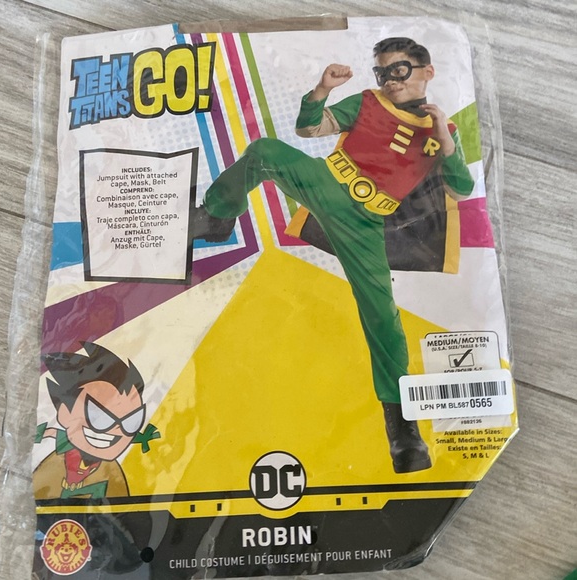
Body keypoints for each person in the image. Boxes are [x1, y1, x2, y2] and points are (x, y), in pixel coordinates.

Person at [192, 37, 474, 473]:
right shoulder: (368, 101)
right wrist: (322, 90)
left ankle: (402, 429)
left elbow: (461, 189)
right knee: (265, 151)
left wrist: (446, 142)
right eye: (383, 72)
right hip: (326, 182)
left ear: (427, 71)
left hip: (366, 223)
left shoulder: (444, 132)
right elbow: (309, 129)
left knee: (383, 318)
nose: (391, 80)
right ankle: (216, 216)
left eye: (399, 70)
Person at [34, 342, 160, 498]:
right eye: (99, 417)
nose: (116, 429)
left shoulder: (111, 472)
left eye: (131, 421)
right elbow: (52, 433)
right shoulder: (54, 463)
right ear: (65, 412)